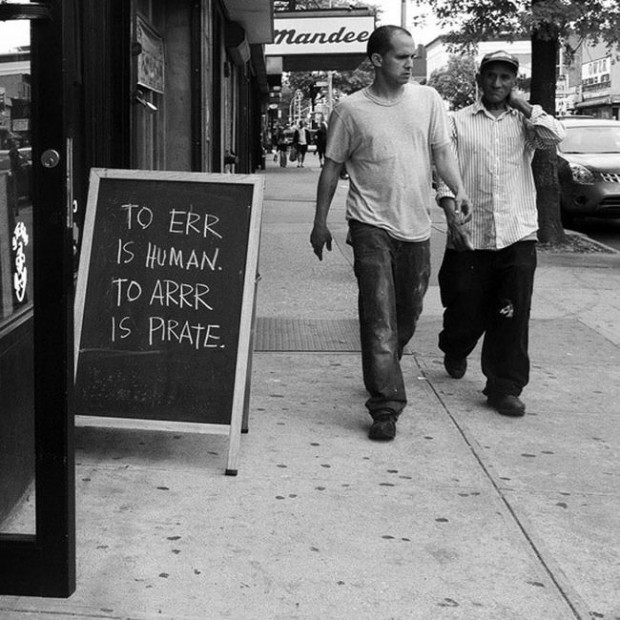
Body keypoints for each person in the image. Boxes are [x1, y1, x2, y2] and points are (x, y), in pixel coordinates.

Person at [310, 25, 469, 441]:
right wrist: (319, 222)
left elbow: (442, 151)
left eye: (413, 56)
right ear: (377, 60)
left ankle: (386, 361)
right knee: (378, 314)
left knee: (407, 312)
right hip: (369, 224)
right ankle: (385, 406)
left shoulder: (428, 100)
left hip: (416, 225)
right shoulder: (350, 109)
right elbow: (331, 168)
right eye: (402, 56)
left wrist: (458, 189)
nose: (410, 64)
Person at [435, 50, 565, 418]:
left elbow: (556, 135)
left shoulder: (525, 124)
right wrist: (451, 215)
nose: (497, 83)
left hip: (516, 233)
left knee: (512, 312)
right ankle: (454, 346)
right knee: (465, 309)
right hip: (471, 233)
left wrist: (523, 105)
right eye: (490, 76)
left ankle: (504, 386)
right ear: (479, 79)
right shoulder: (457, 121)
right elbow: (444, 173)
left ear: (514, 82)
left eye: (505, 77)